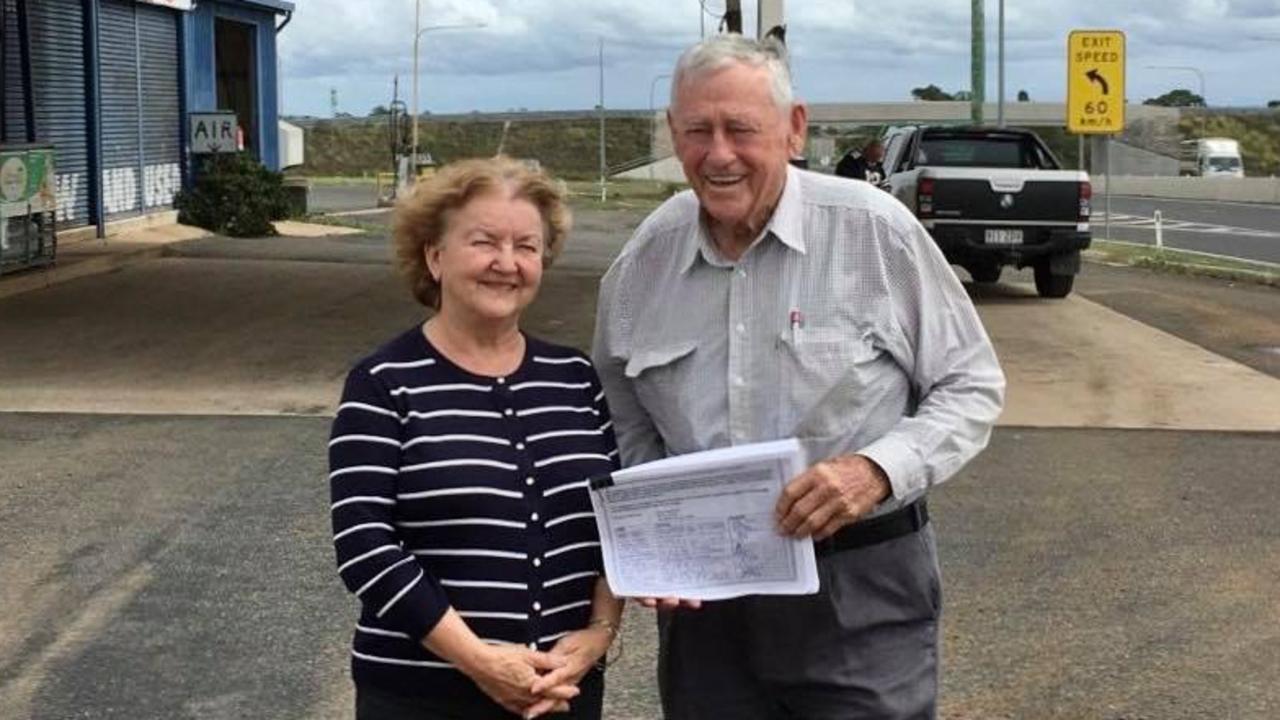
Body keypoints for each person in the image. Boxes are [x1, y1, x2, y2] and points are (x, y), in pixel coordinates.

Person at [592, 34, 1005, 720]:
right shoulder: (646, 260)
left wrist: (875, 470)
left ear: (794, 129)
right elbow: (620, 406)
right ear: (673, 132)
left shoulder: (876, 233)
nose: (718, 154)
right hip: (708, 601)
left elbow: (971, 385)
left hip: (861, 585)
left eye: (741, 129)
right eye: (697, 130)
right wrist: (654, 530)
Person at [330, 156, 623, 720]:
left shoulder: (574, 376)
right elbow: (364, 545)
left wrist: (599, 633)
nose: (506, 263)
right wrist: (479, 662)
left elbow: (617, 519)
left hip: (562, 692)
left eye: (527, 247)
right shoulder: (383, 383)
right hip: (421, 697)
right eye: (484, 242)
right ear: (435, 257)